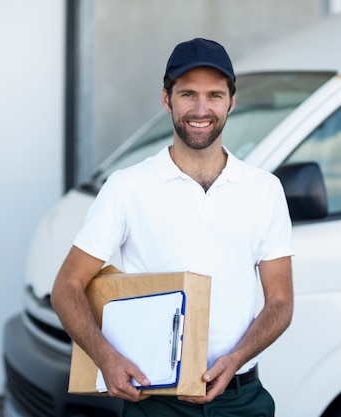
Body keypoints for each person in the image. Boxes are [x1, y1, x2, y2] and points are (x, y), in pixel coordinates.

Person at [51, 37, 294, 417]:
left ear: (232, 101)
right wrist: (106, 358)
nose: (201, 109)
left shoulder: (264, 190)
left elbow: (280, 302)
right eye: (187, 94)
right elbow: (65, 288)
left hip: (241, 399)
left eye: (214, 95)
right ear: (166, 99)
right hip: (156, 402)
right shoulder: (127, 188)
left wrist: (236, 359)